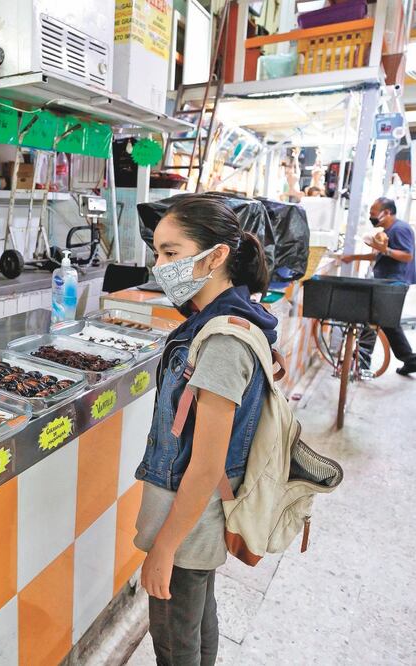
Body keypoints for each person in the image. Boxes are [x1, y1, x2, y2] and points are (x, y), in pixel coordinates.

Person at [134, 194, 277, 666]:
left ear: (216, 256)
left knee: (174, 640)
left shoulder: (219, 342)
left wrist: (165, 548)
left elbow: (206, 464)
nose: (160, 265)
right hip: (198, 514)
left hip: (189, 516)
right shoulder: (224, 319)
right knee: (198, 623)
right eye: (158, 253)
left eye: (172, 253)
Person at [342, 197, 416, 375]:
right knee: (383, 321)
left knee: (376, 318)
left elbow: (407, 256)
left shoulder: (400, 229)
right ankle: (407, 359)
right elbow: (381, 257)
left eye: (373, 213)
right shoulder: (388, 230)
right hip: (387, 282)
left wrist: (385, 250)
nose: (371, 217)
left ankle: (363, 358)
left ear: (387, 212)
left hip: (394, 283)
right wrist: (354, 258)